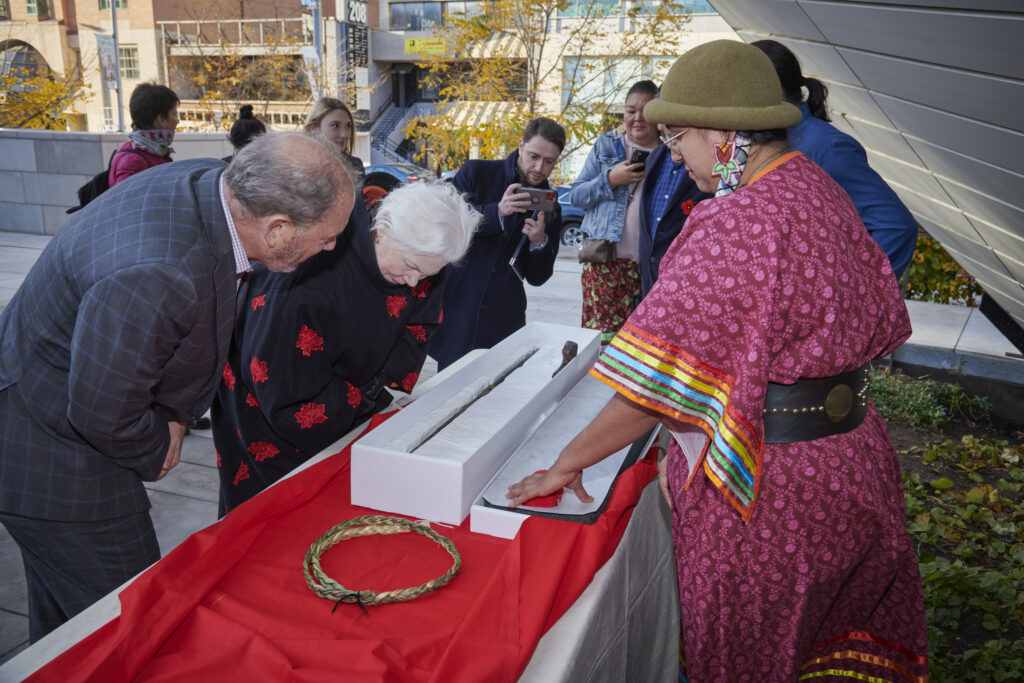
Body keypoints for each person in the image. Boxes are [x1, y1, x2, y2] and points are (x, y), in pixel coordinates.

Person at [506, 41, 928, 681]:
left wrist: (566, 464)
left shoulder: (737, 221)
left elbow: (657, 384)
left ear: (727, 134)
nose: (673, 154)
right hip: (854, 467)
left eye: (679, 138)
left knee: (745, 662)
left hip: (772, 496)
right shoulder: (816, 186)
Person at [0, 131, 355, 642]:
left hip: (52, 416)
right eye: (326, 235)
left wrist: (176, 412)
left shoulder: (216, 187)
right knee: (128, 627)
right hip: (50, 457)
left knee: (66, 632)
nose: (332, 246)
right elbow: (103, 413)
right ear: (277, 228)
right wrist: (160, 440)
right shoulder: (161, 270)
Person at [212, 181, 480, 513]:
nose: (415, 283)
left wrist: (373, 383)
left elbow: (419, 323)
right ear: (383, 228)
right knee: (274, 508)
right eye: (411, 267)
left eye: (427, 274)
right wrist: (355, 395)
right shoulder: (310, 279)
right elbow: (285, 393)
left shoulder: (422, 258)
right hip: (269, 399)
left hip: (351, 399)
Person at [753, 39, 918, 280]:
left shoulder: (828, 148)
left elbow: (896, 227)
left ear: (773, 90)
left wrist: (853, 296)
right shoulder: (770, 140)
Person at [429, 117, 565, 370]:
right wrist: (496, 212)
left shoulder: (550, 205)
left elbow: (538, 277)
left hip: (505, 318)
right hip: (460, 308)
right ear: (521, 145)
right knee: (446, 397)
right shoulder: (476, 172)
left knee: (496, 398)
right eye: (534, 156)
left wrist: (539, 242)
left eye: (549, 162)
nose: (539, 167)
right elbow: (445, 226)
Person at [567, 80, 661, 344]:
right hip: (604, 263)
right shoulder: (606, 145)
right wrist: (610, 180)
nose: (637, 117)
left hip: (647, 267)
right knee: (601, 341)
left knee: (637, 344)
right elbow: (576, 195)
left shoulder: (670, 152)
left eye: (646, 110)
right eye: (631, 111)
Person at [637, 114, 712, 297]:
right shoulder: (654, 157)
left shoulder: (708, 165)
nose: (676, 154)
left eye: (678, 138)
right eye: (670, 139)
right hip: (650, 281)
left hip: (688, 284)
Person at [109, 82, 180, 187]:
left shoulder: (153, 150)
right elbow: (126, 201)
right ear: (161, 119)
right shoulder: (133, 161)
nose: (177, 121)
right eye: (174, 114)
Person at [304, 96, 364, 175]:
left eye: (348, 126)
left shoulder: (355, 165)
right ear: (313, 128)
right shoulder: (294, 168)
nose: (345, 135)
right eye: (335, 125)